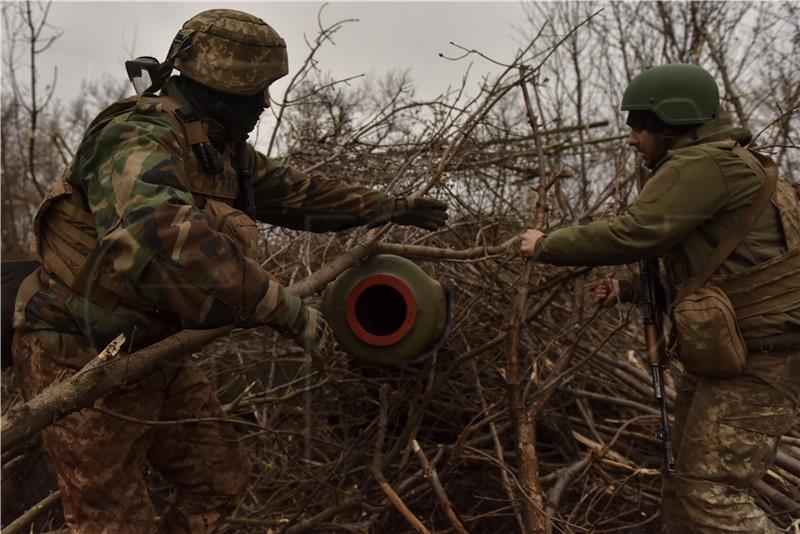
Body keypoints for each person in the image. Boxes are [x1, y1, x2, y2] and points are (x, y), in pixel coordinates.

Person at [11, 9, 447, 534]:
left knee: (220, 477)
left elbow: (299, 193)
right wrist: (280, 307)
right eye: (257, 90)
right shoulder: (136, 135)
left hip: (150, 353)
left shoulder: (216, 148)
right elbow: (162, 236)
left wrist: (389, 206)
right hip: (75, 352)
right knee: (111, 521)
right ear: (220, 87)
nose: (266, 103)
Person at [520, 63, 800, 533]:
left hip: (761, 361)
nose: (631, 138)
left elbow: (637, 233)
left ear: (671, 122)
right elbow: (725, 275)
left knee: (712, 499)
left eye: (639, 125)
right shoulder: (725, 162)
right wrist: (629, 291)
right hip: (734, 358)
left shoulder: (704, 164)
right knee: (683, 487)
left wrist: (546, 244)